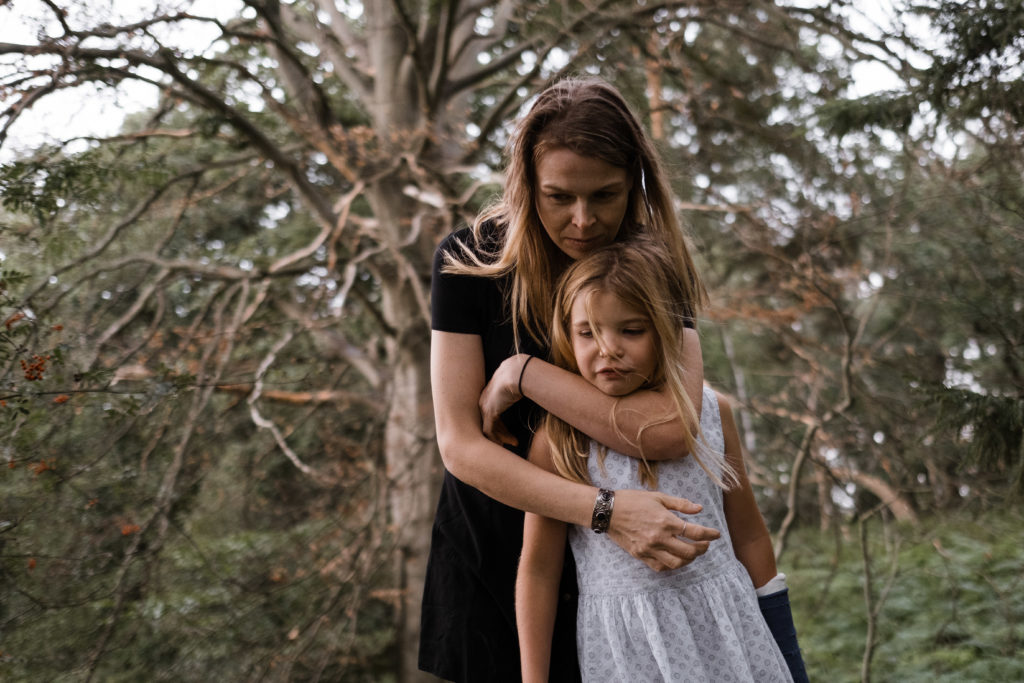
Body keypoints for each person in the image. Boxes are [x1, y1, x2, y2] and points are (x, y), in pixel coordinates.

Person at [422, 78, 720, 682]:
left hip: (629, 586)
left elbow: (667, 429)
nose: (582, 221)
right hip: (497, 569)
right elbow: (459, 445)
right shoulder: (470, 263)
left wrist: (526, 375)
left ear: (635, 183)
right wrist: (606, 510)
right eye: (558, 197)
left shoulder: (657, 268)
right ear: (526, 185)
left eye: (605, 195)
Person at [515, 240, 805, 682]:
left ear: (667, 331)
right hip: (629, 651)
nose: (608, 349)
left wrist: (785, 647)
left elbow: (748, 536)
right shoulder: (558, 441)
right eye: (588, 332)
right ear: (566, 337)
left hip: (732, 633)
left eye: (631, 330)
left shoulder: (710, 412)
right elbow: (539, 570)